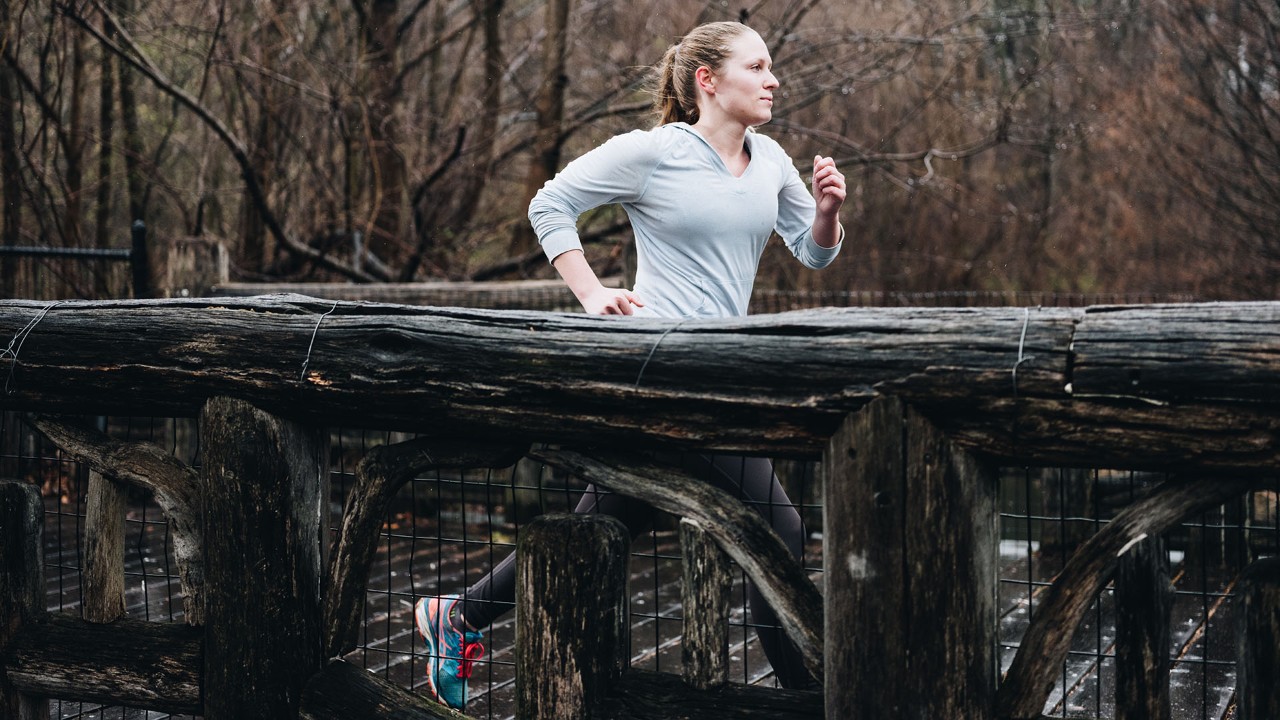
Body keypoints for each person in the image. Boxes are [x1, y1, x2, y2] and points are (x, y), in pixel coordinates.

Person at [415, 20, 845, 709]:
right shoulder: (652, 153)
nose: (773, 80)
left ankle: (458, 614)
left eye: (772, 68)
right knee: (779, 534)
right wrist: (591, 293)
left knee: (603, 526)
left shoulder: (770, 161)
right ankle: (813, 703)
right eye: (757, 67)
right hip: (654, 375)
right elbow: (550, 202)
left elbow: (814, 251)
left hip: (716, 381)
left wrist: (825, 212)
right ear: (709, 80)